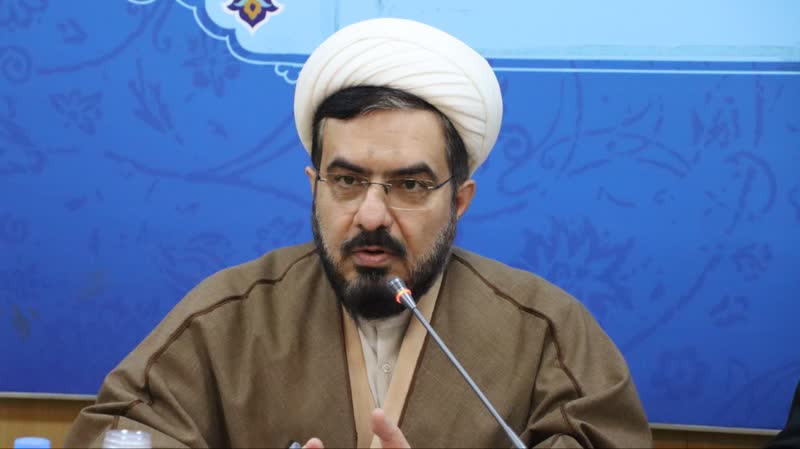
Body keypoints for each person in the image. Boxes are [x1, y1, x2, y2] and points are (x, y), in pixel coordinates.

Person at [65, 18, 651, 448]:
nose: (371, 215)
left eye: (409, 185)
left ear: (459, 200)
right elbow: (122, 435)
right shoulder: (225, 320)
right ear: (314, 186)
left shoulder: (545, 332)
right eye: (347, 181)